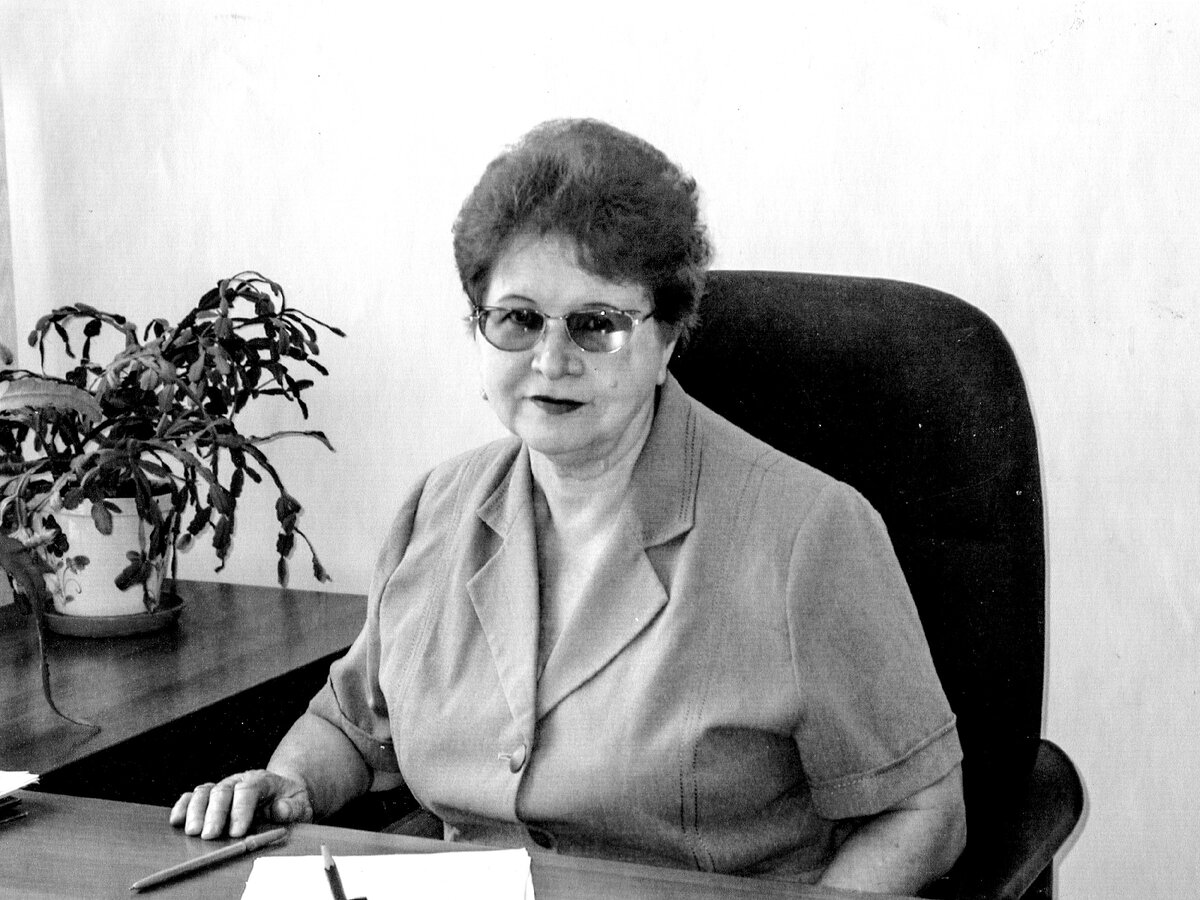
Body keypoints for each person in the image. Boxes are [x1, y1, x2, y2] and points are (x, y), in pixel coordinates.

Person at [170, 119, 966, 894]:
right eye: (519, 319)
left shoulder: (808, 534)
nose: (552, 360)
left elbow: (924, 815)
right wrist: (289, 783)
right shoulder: (435, 511)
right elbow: (351, 728)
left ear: (666, 340)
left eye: (596, 326)